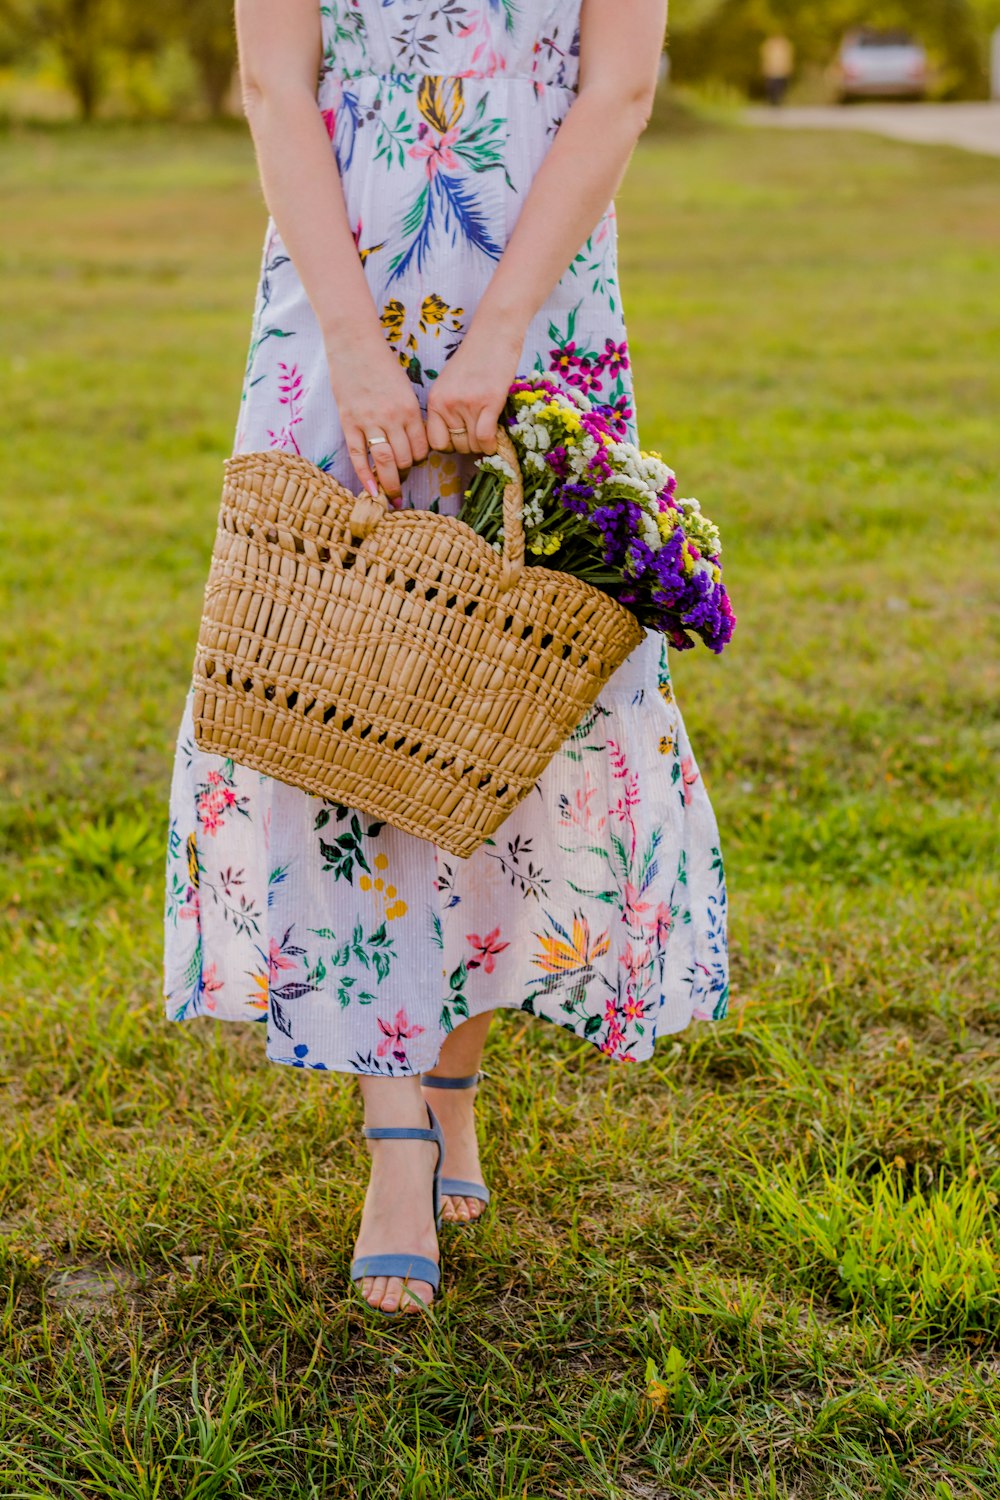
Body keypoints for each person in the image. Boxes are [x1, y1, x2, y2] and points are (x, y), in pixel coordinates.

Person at [163, 0, 730, 1317]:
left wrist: (498, 341)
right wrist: (360, 357)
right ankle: (395, 1139)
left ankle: (454, 1085)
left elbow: (617, 90)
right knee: (340, 690)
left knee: (501, 697)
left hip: (534, 286)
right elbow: (272, 80)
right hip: (340, 282)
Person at [761, 33, 794, 107]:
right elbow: (766, 58)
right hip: (772, 70)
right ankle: (773, 101)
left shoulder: (785, 45)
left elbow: (788, 58)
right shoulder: (769, 45)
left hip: (781, 70)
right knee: (772, 86)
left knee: (781, 86)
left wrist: (787, 67)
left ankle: (778, 101)